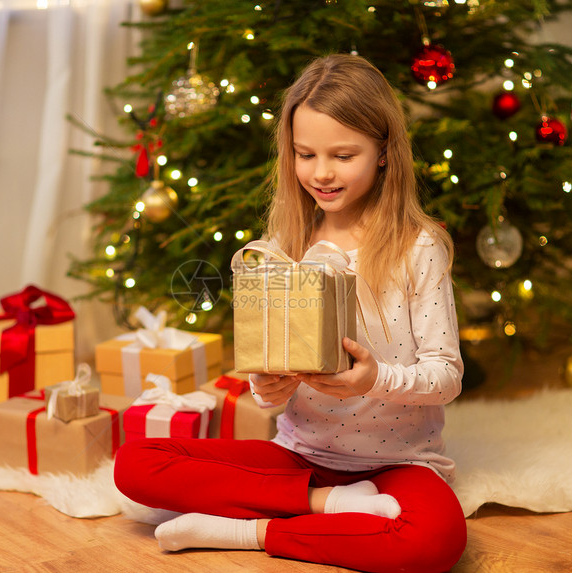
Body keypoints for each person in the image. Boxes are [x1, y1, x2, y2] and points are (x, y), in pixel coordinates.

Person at [114, 53, 466, 573]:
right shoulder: (284, 246)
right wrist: (266, 387)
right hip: (300, 459)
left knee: (433, 542)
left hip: (398, 464)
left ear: (385, 152)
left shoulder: (419, 248)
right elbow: (271, 374)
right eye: (305, 154)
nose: (321, 173)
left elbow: (448, 376)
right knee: (134, 463)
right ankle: (330, 508)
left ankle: (246, 532)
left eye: (343, 156)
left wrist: (375, 379)